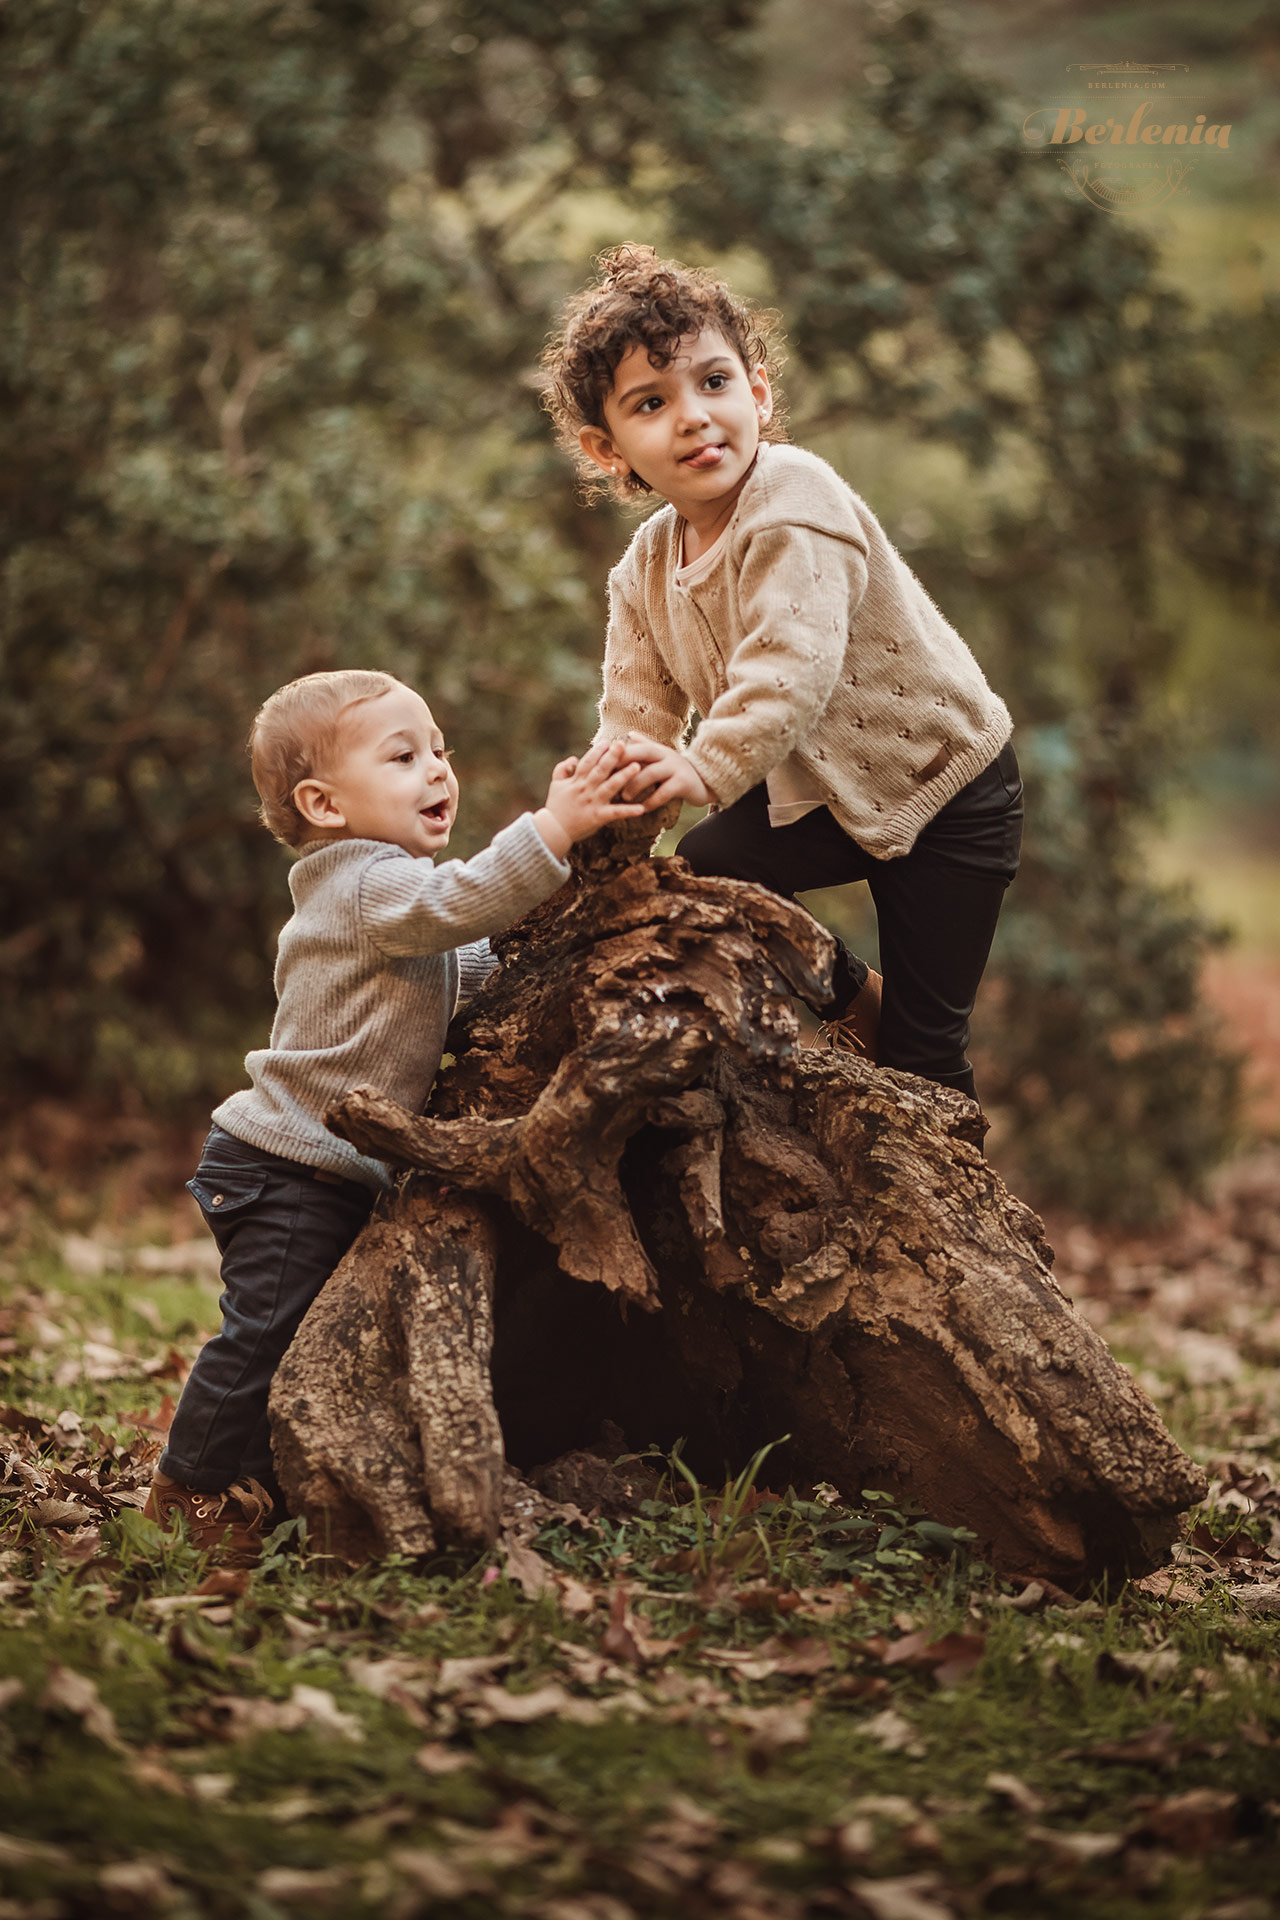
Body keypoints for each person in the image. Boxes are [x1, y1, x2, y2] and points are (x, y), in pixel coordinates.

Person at [145, 669, 643, 1562]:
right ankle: (190, 1486)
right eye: (404, 756)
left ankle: (259, 1476)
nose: (438, 772)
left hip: (324, 1167)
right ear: (323, 805)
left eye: (441, 751)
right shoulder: (363, 886)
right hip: (283, 1165)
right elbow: (458, 906)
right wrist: (552, 830)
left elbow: (470, 965)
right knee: (266, 1330)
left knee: (310, 1332)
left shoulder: (393, 893)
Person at [541, 244, 1023, 1101]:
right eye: (651, 403)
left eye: (714, 383)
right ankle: (845, 991)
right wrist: (605, 824)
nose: (693, 417)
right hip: (828, 797)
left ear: (758, 392)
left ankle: (958, 1215)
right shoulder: (645, 567)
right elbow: (633, 713)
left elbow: (789, 667)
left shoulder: (795, 495)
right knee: (706, 871)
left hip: (948, 787)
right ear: (605, 446)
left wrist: (699, 767)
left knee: (923, 1056)